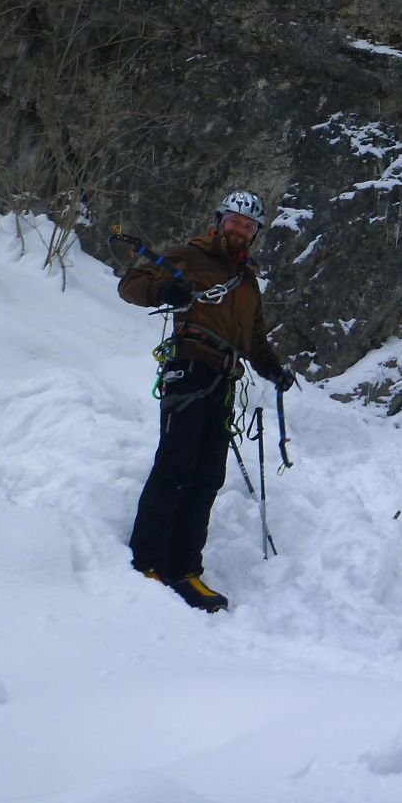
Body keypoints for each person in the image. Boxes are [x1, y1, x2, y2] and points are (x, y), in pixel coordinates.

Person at [118, 190, 295, 612]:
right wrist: (166, 291)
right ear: (220, 221)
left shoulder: (248, 282)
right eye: (235, 221)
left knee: (208, 476)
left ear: (254, 234)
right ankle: (148, 561)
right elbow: (131, 285)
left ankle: (185, 569)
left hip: (224, 378)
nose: (240, 229)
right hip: (191, 368)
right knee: (175, 466)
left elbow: (253, 338)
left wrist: (272, 368)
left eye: (248, 226)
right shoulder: (190, 257)